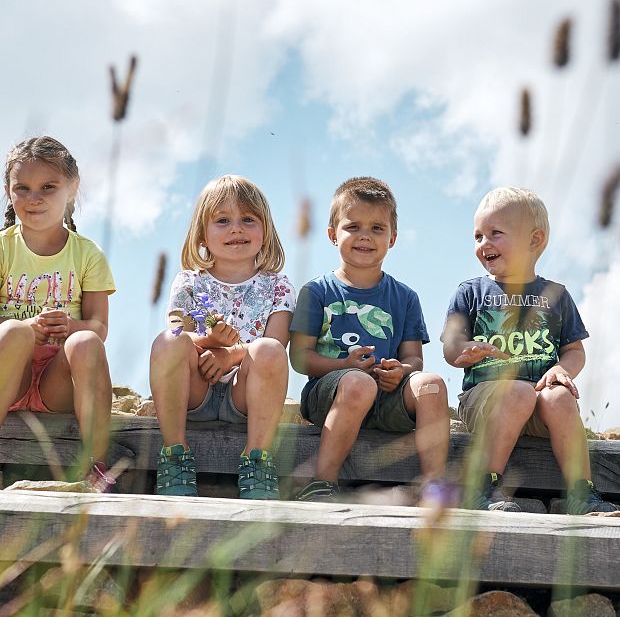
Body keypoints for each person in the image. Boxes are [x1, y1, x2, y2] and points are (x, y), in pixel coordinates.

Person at [441, 186, 617, 514]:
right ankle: (483, 485)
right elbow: (450, 347)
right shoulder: (470, 292)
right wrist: (462, 350)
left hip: (538, 406)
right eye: (478, 236)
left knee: (559, 396)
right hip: (486, 400)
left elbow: (574, 350)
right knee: (518, 393)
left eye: (495, 233)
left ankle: (582, 492)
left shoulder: (556, 295)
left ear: (534, 240)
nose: (483, 244)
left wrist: (562, 369)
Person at [289, 176, 452, 503]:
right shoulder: (317, 292)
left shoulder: (405, 297)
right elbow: (299, 358)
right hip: (331, 394)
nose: (365, 236)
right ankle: (322, 481)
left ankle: (435, 489)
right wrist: (344, 365)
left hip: (387, 397)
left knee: (432, 384)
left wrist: (402, 371)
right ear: (333, 235)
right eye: (353, 227)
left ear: (392, 239)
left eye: (377, 228)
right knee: (358, 383)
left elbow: (415, 359)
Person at [150, 175, 295, 499]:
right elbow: (175, 331)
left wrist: (230, 354)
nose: (236, 229)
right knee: (168, 342)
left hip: (245, 394)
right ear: (202, 234)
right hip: (195, 389)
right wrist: (209, 342)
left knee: (268, 350)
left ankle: (257, 458)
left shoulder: (279, 285)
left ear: (265, 230)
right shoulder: (189, 281)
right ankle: (175, 453)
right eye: (223, 221)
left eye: (248, 219)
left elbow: (276, 343)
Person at [0, 136, 116, 492]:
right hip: (9, 374)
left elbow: (100, 327)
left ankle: (94, 467)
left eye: (48, 187)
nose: (34, 198)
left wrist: (71, 325)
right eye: (23, 188)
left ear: (72, 188)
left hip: (59, 383)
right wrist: (22, 326)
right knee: (14, 333)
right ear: (8, 191)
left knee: (86, 341)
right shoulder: (3, 247)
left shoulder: (87, 254)